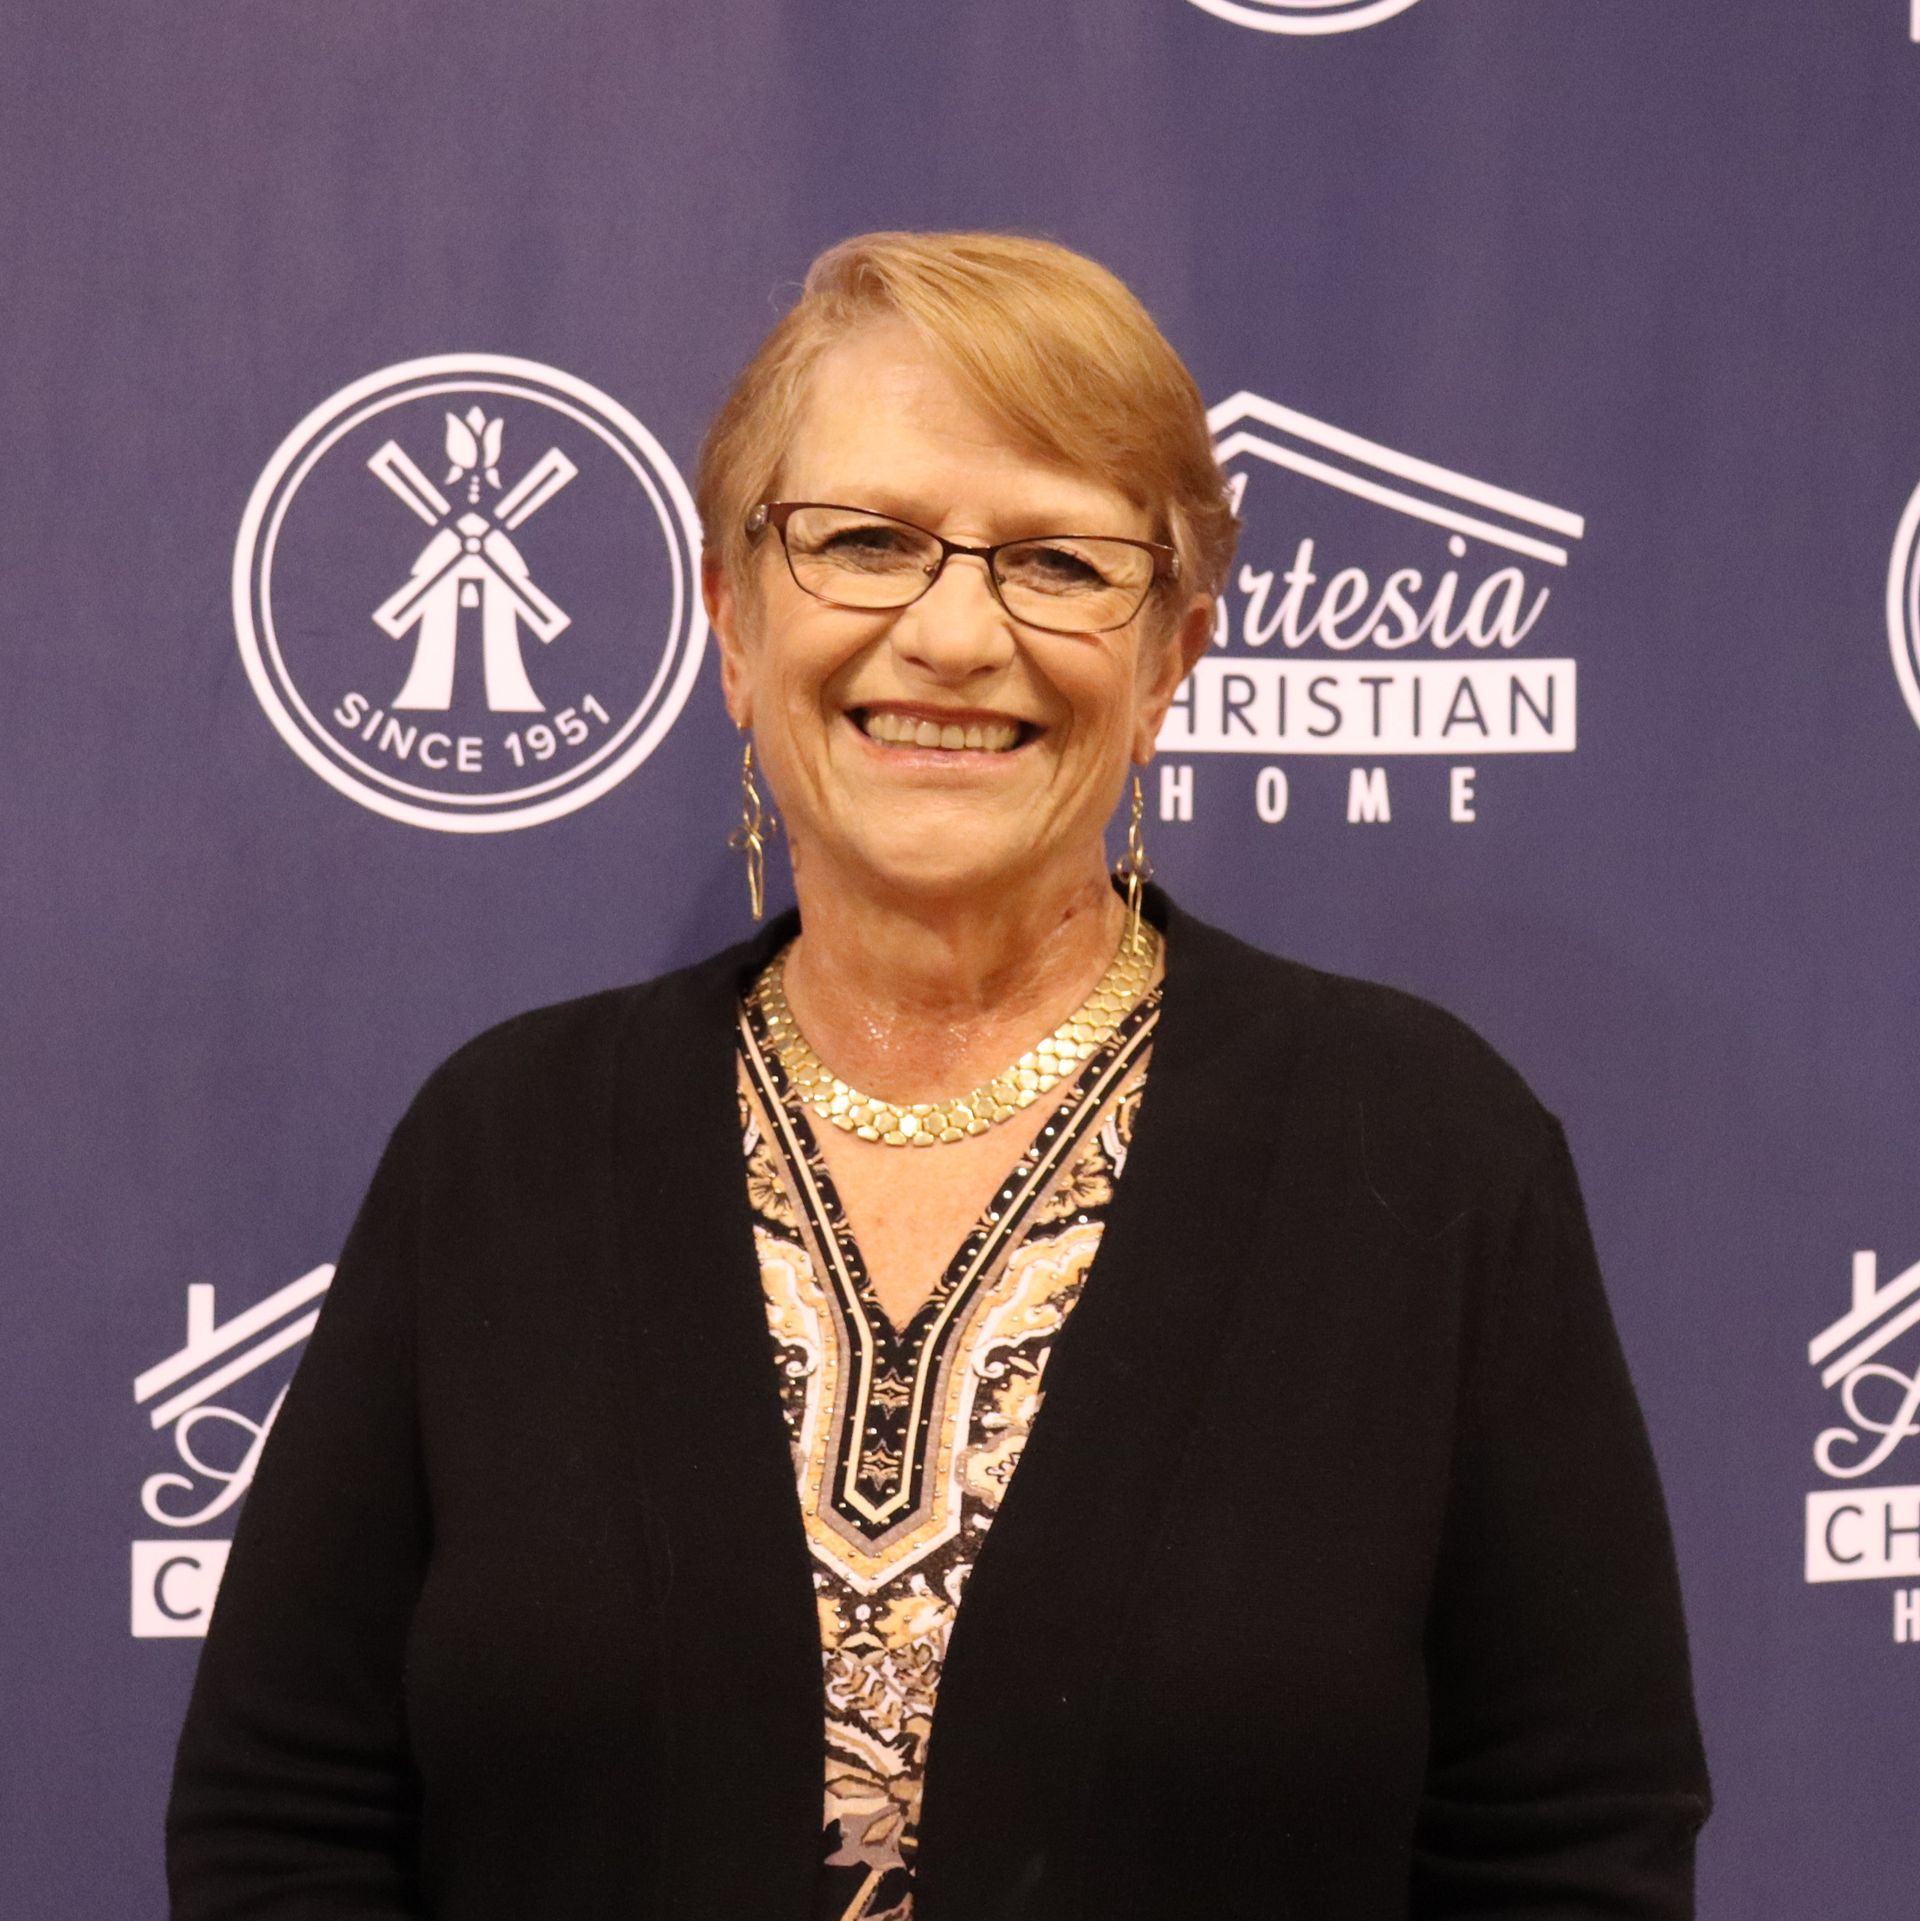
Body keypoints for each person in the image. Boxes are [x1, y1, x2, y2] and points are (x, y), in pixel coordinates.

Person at [167, 231, 1711, 1920]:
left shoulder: (1429, 1159)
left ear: (1173, 656)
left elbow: (1568, 1847)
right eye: (868, 542)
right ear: (733, 623)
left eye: (1056, 561)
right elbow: (285, 1817)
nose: (954, 632)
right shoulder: (502, 1152)